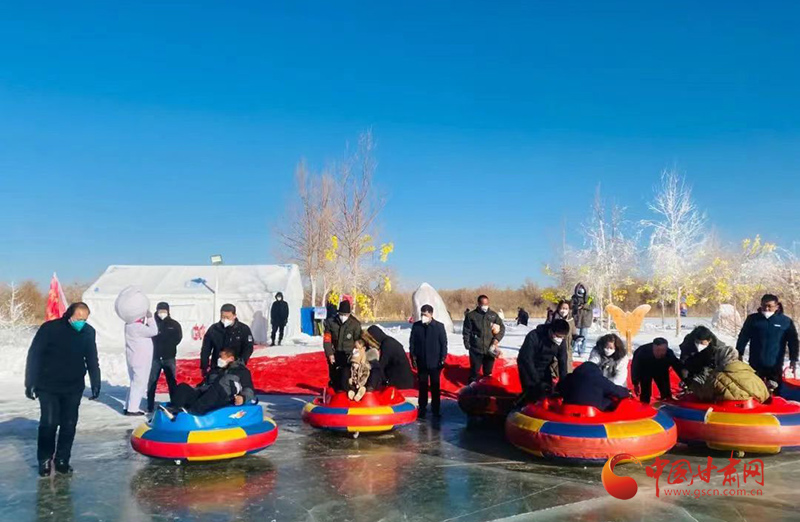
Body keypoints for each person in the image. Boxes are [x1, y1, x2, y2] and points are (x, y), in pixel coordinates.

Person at [25, 302, 101, 476]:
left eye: (84, 319)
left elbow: (91, 358)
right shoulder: (50, 329)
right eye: (78, 318)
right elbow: (35, 354)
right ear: (68, 314)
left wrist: (95, 382)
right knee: (49, 423)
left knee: (69, 424)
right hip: (48, 385)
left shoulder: (88, 332)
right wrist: (30, 382)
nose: (81, 322)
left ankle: (62, 459)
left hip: (73, 386)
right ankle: (45, 459)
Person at [736, 294, 799, 391]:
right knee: (754, 391)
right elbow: (743, 337)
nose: (766, 308)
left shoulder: (785, 321)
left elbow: (793, 341)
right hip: (755, 364)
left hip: (775, 365)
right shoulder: (753, 319)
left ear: (777, 306)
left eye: (770, 306)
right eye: (764, 306)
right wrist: (739, 353)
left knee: (774, 393)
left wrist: (793, 359)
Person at [170, 347, 255, 416]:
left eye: (221, 357)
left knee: (222, 382)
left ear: (231, 359)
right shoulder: (215, 370)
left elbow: (249, 390)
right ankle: (174, 411)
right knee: (183, 387)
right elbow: (204, 384)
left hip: (225, 399)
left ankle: (193, 413)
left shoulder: (241, 371)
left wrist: (243, 398)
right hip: (207, 397)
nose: (219, 359)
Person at [517, 319, 571, 403]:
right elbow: (527, 359)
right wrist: (537, 381)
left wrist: (563, 381)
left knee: (547, 390)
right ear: (551, 331)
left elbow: (563, 360)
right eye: (558, 336)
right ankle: (522, 404)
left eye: (562, 337)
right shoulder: (534, 336)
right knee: (532, 391)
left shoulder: (560, 341)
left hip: (545, 366)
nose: (560, 339)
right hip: (527, 366)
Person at [409, 305, 448, 418]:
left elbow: (443, 343)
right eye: (422, 314)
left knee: (435, 386)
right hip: (421, 361)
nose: (423, 317)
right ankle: (422, 407)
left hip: (435, 362)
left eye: (425, 315)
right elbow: (412, 342)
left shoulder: (439, 327)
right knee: (423, 385)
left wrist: (443, 358)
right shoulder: (417, 326)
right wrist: (413, 356)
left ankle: (436, 408)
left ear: (431, 314)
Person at [694, 345, 770, 403]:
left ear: (719, 359)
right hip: (755, 413)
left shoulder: (716, 378)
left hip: (726, 414)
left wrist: (694, 385)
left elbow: (703, 395)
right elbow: (766, 396)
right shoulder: (754, 376)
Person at [146, 302, 182, 413]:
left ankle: (175, 403)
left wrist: (169, 346)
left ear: (168, 311)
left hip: (169, 357)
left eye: (164, 311)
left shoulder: (174, 324)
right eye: (160, 311)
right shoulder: (152, 324)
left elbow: (178, 337)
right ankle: (150, 404)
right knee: (152, 381)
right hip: (155, 357)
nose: (162, 313)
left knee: (171, 381)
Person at [200, 304, 255, 375]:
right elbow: (206, 349)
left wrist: (241, 362)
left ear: (234, 316)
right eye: (223, 317)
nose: (225, 319)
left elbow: (248, 347)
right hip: (217, 366)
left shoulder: (243, 329)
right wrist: (204, 366)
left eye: (228, 317)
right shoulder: (214, 329)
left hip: (236, 367)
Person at [124, 308, 159, 416]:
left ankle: (128, 406)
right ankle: (132, 409)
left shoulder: (128, 325)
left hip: (133, 358)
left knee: (134, 383)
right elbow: (154, 331)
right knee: (139, 384)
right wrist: (150, 318)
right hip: (140, 360)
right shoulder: (137, 327)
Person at [463, 295, 505, 383]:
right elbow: (466, 331)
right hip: (476, 349)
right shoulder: (471, 316)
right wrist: (467, 343)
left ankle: (487, 387)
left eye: (486, 304)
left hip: (489, 349)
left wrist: (496, 339)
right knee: (474, 371)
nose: (485, 306)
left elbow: (502, 328)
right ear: (478, 304)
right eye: (483, 304)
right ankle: (472, 386)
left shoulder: (493, 315)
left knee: (488, 373)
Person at [557, 362, 631, 412]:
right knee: (610, 401)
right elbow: (615, 390)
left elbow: (559, 388)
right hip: (592, 411)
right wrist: (627, 392)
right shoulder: (599, 379)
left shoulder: (570, 378)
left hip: (569, 409)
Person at [323, 300, 362, 391]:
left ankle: (350, 390)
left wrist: (356, 356)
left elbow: (358, 341)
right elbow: (327, 340)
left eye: (345, 315)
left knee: (345, 378)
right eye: (341, 314)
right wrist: (330, 354)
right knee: (335, 379)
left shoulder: (355, 324)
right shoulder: (330, 323)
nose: (343, 317)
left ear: (349, 314)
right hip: (335, 354)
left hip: (348, 356)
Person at [631, 338, 683, 404]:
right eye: (657, 350)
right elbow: (635, 367)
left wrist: (686, 380)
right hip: (645, 369)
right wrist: (635, 383)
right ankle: (644, 405)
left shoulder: (669, 354)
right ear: (653, 348)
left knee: (666, 391)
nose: (660, 353)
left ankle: (667, 404)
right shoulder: (642, 353)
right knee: (645, 392)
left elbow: (678, 367)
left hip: (661, 369)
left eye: (663, 350)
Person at [363, 325, 414, 389]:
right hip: (404, 378)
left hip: (401, 381)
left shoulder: (387, 344)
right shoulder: (388, 341)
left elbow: (382, 365)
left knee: (376, 368)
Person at [546, 300, 576, 373]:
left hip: (567, 347)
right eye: (562, 308)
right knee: (555, 363)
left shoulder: (571, 319)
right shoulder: (553, 318)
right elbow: (546, 330)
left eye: (566, 308)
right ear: (559, 308)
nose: (564, 310)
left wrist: (576, 337)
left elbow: (573, 331)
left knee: (567, 365)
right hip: (554, 346)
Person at [570, 283, 594, 356]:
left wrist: (585, 306)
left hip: (585, 320)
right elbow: (571, 306)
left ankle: (582, 351)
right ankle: (571, 350)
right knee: (575, 336)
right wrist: (577, 307)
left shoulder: (589, 298)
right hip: (576, 320)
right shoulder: (574, 298)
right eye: (580, 288)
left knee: (583, 337)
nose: (581, 289)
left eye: (582, 288)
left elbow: (593, 306)